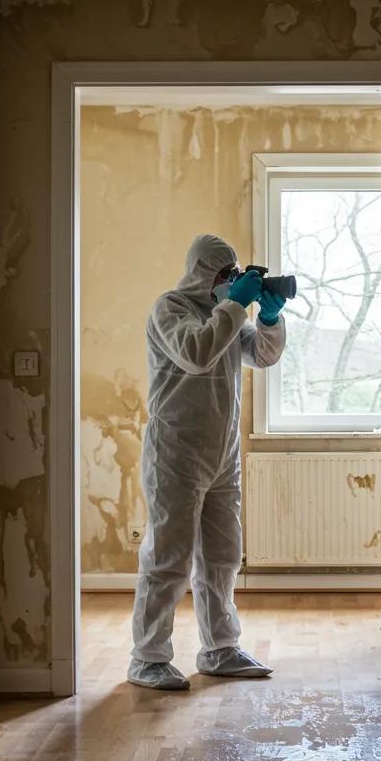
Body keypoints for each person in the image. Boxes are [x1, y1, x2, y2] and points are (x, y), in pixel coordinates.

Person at [128, 234, 287, 690]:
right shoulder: (171, 308)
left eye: (233, 274)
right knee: (168, 557)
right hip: (175, 451)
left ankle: (220, 648)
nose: (230, 281)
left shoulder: (228, 314)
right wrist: (235, 305)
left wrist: (270, 318)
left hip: (221, 453)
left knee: (222, 555)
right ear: (200, 272)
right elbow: (196, 353)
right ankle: (148, 657)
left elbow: (264, 355)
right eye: (224, 274)